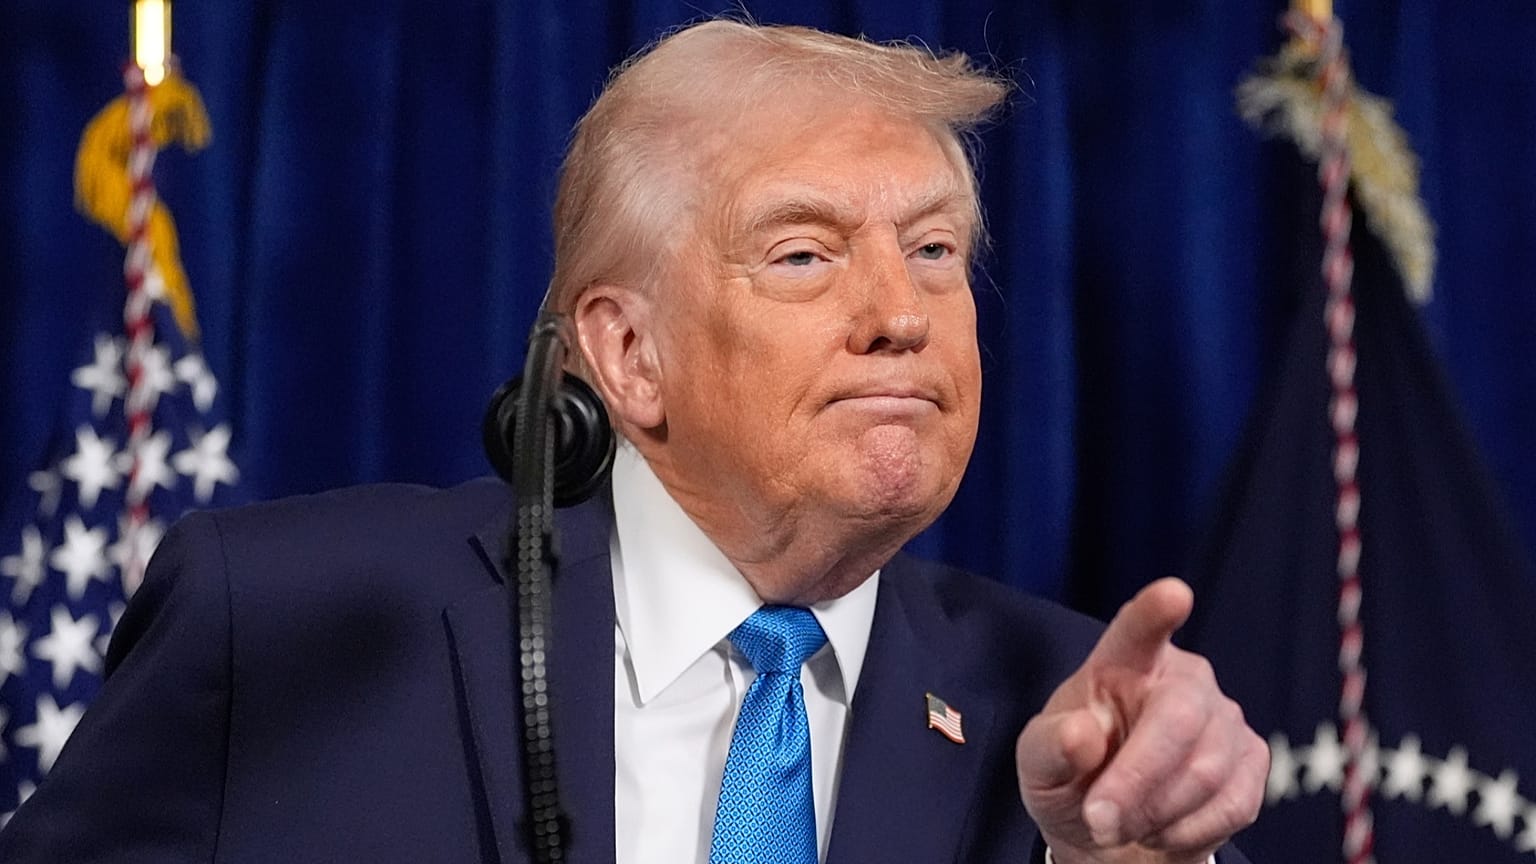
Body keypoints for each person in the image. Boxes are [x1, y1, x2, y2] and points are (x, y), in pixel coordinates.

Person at [0, 20, 1267, 864]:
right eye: (804, 255)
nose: (900, 314)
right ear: (626, 354)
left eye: (934, 250)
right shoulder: (285, 622)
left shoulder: (1078, 718)